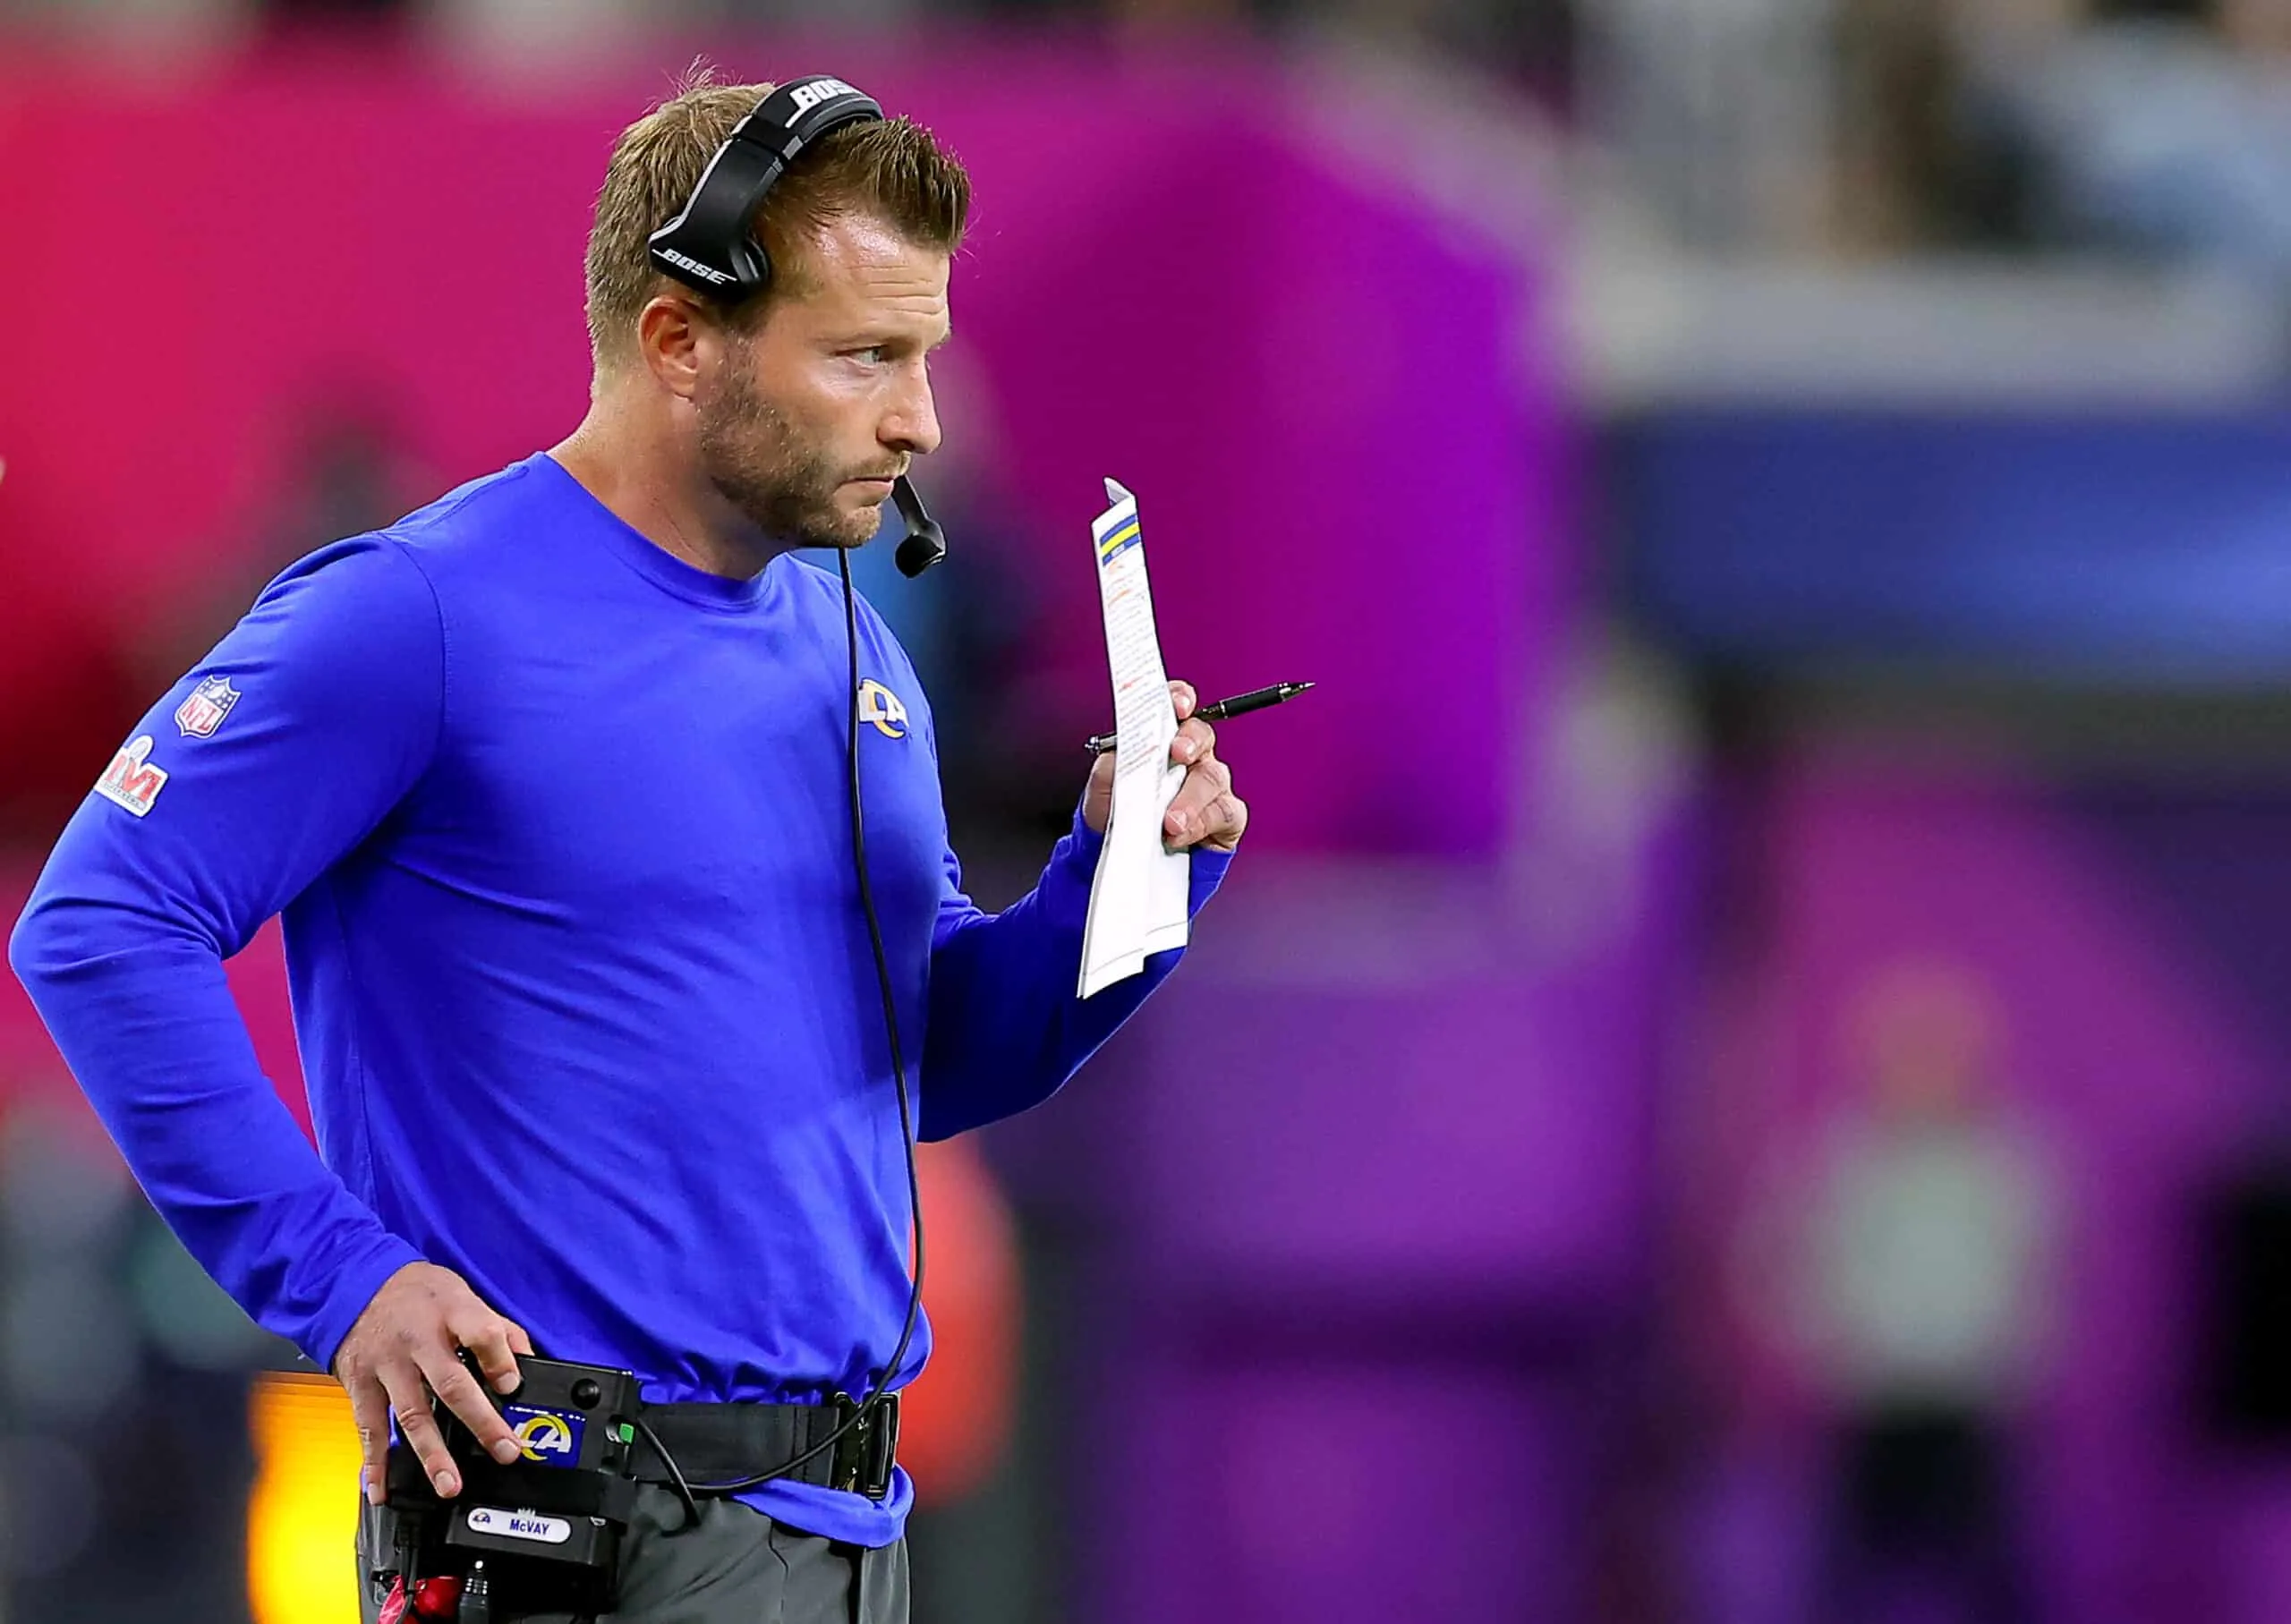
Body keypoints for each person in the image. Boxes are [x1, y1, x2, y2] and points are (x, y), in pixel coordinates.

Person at [7, 67, 1247, 1624]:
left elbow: (927, 1058)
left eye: (920, 354)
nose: (921, 417)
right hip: (578, 1539)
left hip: (848, 1534)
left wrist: (1124, 883)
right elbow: (100, 921)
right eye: (865, 355)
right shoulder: (420, 615)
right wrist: (341, 1279)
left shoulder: (856, 650)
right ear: (678, 338)